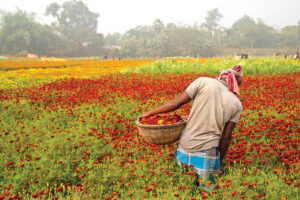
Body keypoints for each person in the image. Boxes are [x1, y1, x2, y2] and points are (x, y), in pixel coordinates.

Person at [139, 65, 243, 189]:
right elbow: (226, 137)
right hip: (208, 150)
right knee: (206, 191)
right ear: (236, 84)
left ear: (221, 76)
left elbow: (175, 104)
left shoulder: (203, 82)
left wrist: (150, 113)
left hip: (185, 146)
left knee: (181, 188)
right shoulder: (237, 104)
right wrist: (219, 162)